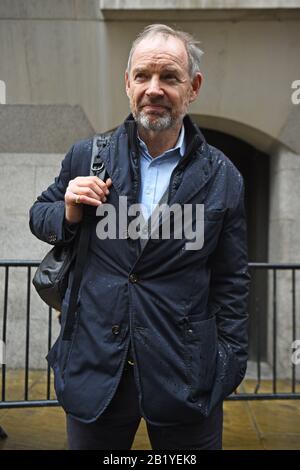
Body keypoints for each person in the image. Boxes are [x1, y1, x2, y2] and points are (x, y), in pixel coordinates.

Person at [29, 24, 250, 450]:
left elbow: (232, 282)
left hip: (185, 377)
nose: (154, 88)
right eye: (143, 76)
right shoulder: (88, 156)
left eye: (169, 77)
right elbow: (40, 214)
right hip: (97, 370)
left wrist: (226, 365)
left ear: (193, 87)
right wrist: (69, 211)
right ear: (127, 83)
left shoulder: (223, 176)